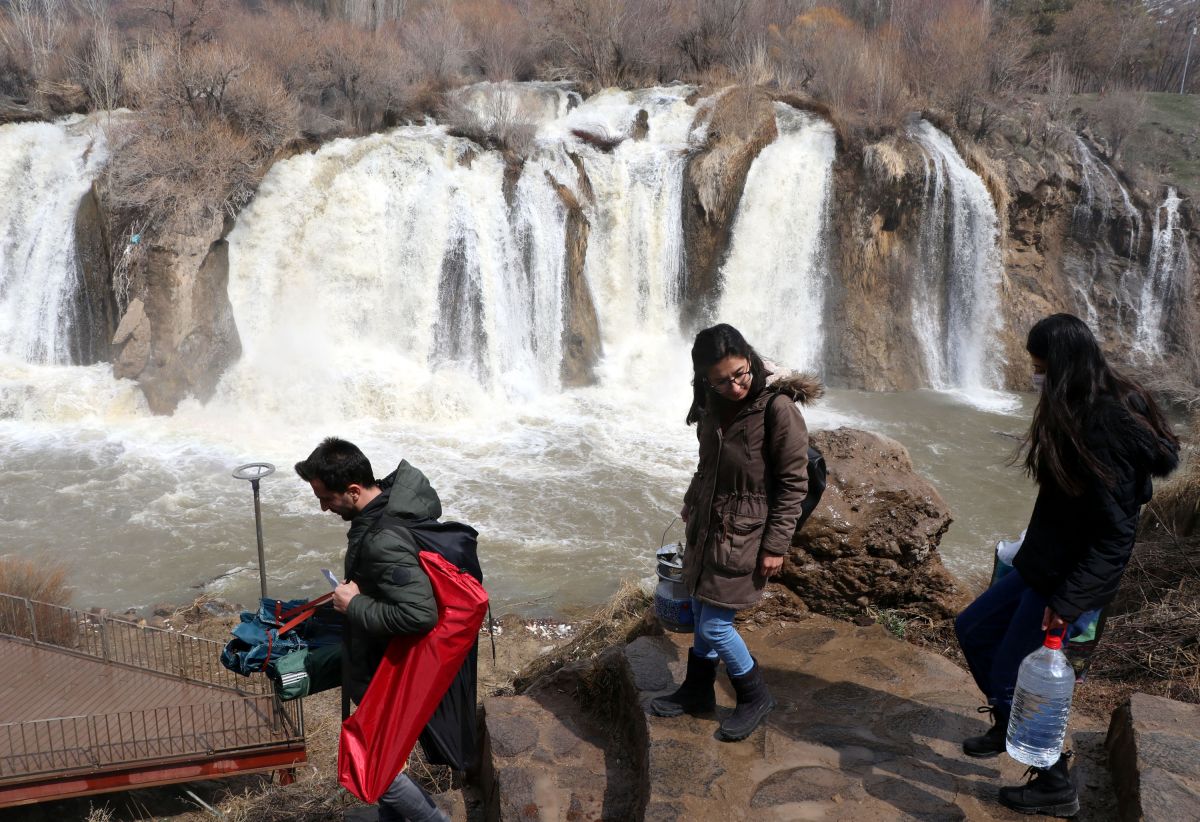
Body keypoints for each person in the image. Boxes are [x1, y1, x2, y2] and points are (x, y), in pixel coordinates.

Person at [954, 314, 1179, 817]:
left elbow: (1116, 533)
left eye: (1040, 367)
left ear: (1063, 365)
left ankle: (1054, 782)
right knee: (973, 629)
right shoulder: (1079, 404)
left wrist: (1070, 601)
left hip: (1068, 579)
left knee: (1015, 674)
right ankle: (1007, 723)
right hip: (1044, 561)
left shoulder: (1103, 426)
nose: (1035, 376)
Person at [651, 323, 821, 741]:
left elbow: (793, 484)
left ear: (750, 359)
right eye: (721, 380)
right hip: (711, 524)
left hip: (748, 531)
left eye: (741, 374)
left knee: (714, 627)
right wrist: (692, 501)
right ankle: (697, 691)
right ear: (705, 379)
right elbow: (707, 464)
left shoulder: (777, 409)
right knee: (704, 608)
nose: (735, 386)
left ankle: (754, 695)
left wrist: (776, 545)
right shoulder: (711, 402)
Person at [295, 437, 450, 822]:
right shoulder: (384, 508)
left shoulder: (382, 539)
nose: (322, 507)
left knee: (377, 765)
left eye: (326, 498)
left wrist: (355, 604)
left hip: (388, 668)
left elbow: (420, 614)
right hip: (381, 658)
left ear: (352, 490)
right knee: (380, 758)